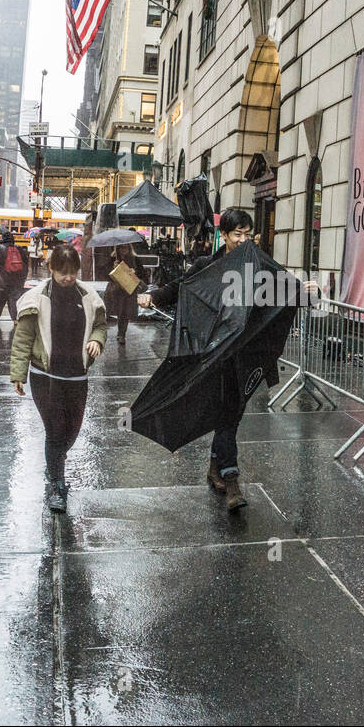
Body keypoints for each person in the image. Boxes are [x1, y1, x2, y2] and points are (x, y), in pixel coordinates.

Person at [138, 208, 254, 511]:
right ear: (224, 236)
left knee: (231, 415)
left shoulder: (256, 267)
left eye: (247, 233)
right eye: (237, 234)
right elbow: (181, 286)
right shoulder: (208, 264)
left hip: (241, 353)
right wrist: (155, 296)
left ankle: (215, 468)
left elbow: (280, 288)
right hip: (212, 352)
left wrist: (305, 290)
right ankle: (232, 480)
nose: (243, 239)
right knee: (227, 414)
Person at [11, 245, 107, 513]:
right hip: (45, 375)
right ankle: (57, 485)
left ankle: (54, 464)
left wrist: (96, 341)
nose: (68, 277)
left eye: (73, 272)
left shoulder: (88, 295)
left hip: (77, 375)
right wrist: (18, 374)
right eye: (63, 272)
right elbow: (23, 339)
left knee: (72, 430)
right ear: (51, 269)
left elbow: (100, 325)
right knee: (55, 430)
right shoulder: (36, 298)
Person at [101, 242, 141, 345]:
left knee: (125, 313)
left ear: (129, 248)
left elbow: (142, 274)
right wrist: (113, 269)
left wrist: (134, 272)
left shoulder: (134, 259)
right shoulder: (113, 259)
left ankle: (122, 334)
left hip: (128, 290)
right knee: (118, 311)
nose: (123, 250)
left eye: (126, 247)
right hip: (116, 290)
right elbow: (105, 274)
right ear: (117, 248)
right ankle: (110, 334)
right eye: (121, 247)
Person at [0, 230, 28, 324]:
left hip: (2, 279)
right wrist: (23, 277)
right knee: (14, 299)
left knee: (0, 299)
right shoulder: (19, 248)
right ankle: (15, 319)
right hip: (17, 279)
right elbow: (25, 263)